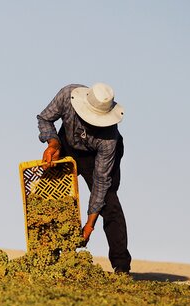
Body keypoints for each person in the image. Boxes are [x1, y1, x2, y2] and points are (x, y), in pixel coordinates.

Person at [37, 83, 131, 274]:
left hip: (96, 156)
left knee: (109, 203)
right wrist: (53, 143)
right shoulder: (67, 95)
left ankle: (121, 267)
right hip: (66, 144)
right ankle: (47, 257)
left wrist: (89, 225)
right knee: (47, 196)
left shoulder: (108, 139)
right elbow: (44, 119)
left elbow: (101, 182)